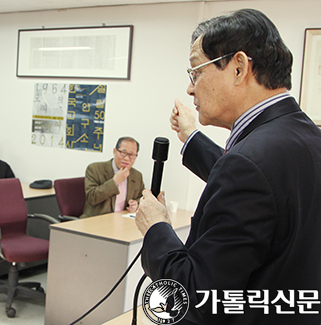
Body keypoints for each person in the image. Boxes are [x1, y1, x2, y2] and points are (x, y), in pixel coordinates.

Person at [135, 9, 321, 324]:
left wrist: (156, 228)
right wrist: (191, 136)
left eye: (196, 71)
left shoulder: (248, 165)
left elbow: (195, 297)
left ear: (238, 67)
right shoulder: (304, 136)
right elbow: (265, 192)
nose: (191, 89)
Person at [81, 136, 144, 218]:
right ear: (115, 151)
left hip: (123, 220)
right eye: (123, 153)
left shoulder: (136, 175)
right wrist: (115, 181)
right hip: (97, 221)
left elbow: (142, 197)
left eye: (132, 155)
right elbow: (92, 198)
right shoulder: (95, 169)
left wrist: (136, 204)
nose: (126, 158)